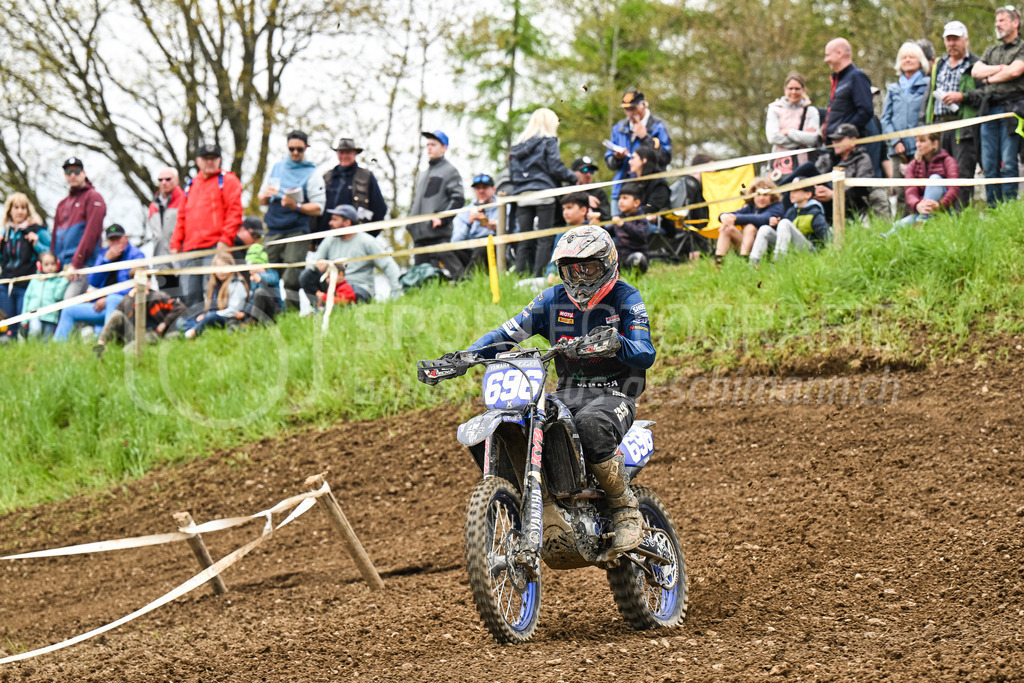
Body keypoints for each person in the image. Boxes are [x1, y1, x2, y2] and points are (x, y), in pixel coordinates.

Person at [461, 225, 655, 555]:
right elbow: (506, 333)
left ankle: (625, 509)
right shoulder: (552, 299)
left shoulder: (625, 297)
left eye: (587, 269)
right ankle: (537, 502)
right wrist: (465, 356)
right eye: (570, 271)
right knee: (526, 422)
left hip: (615, 393)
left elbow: (645, 352)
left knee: (591, 426)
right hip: (567, 393)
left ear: (607, 264)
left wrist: (617, 343)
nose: (578, 279)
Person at [170, 142, 243, 309]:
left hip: (214, 246)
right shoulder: (191, 185)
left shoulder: (228, 180)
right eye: (205, 158)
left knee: (211, 288)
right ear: (198, 161)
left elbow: (235, 212)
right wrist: (175, 243)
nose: (209, 162)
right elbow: (181, 216)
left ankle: (213, 322)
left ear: (219, 160)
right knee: (190, 291)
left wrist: (225, 240)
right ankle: (194, 323)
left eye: (213, 158)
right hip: (191, 248)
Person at [258, 130, 326, 309]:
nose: (295, 152)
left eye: (299, 149)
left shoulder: (312, 173)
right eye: (291, 149)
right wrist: (265, 197)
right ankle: (270, 314)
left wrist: (296, 206)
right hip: (273, 230)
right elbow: (261, 198)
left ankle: (291, 315)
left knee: (291, 278)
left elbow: (319, 207)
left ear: (306, 148)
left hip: (297, 231)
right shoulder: (276, 168)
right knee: (268, 275)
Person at [918, 20, 982, 210]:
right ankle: (936, 215)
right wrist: (923, 125)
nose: (952, 43)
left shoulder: (976, 64)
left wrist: (962, 96)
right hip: (937, 128)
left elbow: (985, 94)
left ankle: (960, 216)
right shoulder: (939, 64)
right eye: (949, 40)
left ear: (965, 40)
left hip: (963, 128)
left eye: (956, 39)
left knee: (962, 173)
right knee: (936, 172)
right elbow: (929, 96)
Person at [508, 108, 578, 276]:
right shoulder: (549, 141)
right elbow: (555, 167)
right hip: (544, 193)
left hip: (523, 195)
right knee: (544, 237)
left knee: (524, 238)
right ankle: (539, 276)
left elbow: (512, 173)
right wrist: (572, 177)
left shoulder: (517, 147)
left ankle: (519, 276)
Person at [54, 224, 145, 341]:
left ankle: (107, 343)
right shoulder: (104, 254)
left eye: (118, 239)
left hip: (125, 305)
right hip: (101, 306)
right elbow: (93, 281)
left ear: (125, 238)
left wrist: (107, 299)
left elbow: (137, 286)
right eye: (112, 240)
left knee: (112, 299)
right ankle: (57, 346)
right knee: (68, 310)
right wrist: (106, 260)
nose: (115, 243)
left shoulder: (136, 255)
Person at [299, 205, 402, 307]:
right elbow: (312, 264)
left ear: (347, 223)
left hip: (359, 288)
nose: (330, 223)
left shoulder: (367, 241)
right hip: (334, 286)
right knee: (306, 276)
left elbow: (388, 265)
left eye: (335, 220)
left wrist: (396, 293)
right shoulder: (329, 240)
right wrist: (320, 265)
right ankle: (319, 308)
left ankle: (340, 304)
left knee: (352, 298)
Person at [971, 6, 1024, 206]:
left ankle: (1009, 207)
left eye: (1002, 20)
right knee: (989, 163)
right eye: (996, 20)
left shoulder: (1022, 48)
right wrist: (1002, 68)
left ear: (1015, 22)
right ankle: (993, 208)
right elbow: (976, 71)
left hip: (1013, 110)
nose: (997, 24)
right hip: (989, 110)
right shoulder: (991, 50)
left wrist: (989, 78)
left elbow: (1016, 71)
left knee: (1009, 162)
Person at [881, 42, 931, 215]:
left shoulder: (928, 85)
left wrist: (922, 141)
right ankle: (902, 227)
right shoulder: (893, 89)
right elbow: (885, 119)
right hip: (899, 152)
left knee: (922, 189)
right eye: (904, 57)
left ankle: (924, 224)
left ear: (920, 61)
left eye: (912, 57)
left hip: (922, 147)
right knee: (901, 191)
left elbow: (929, 115)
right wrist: (895, 142)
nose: (907, 60)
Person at [407, 130, 465, 273]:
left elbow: (458, 199)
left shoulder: (450, 171)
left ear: (444, 148)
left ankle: (466, 281)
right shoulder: (423, 174)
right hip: (419, 235)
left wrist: (442, 219)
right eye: (427, 145)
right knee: (422, 275)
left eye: (433, 144)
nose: (429, 148)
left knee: (446, 272)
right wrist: (410, 223)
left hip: (437, 234)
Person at [882, 132, 959, 234]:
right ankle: (884, 238)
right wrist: (917, 205)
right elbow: (910, 191)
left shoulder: (948, 161)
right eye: (917, 141)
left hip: (943, 211)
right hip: (920, 211)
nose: (918, 145)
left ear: (935, 144)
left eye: (922, 141)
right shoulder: (913, 165)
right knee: (898, 225)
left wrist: (940, 205)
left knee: (935, 179)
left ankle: (922, 220)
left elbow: (954, 188)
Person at [52, 156, 106, 300]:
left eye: (76, 171)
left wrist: (77, 263)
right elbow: (54, 238)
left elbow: (91, 233)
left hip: (82, 267)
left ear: (84, 173)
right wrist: (53, 265)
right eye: (68, 172)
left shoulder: (94, 197)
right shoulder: (62, 204)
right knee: (52, 305)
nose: (73, 175)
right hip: (62, 269)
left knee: (68, 304)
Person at [605, 89, 672, 202]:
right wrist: (617, 158)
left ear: (644, 105)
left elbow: (665, 158)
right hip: (621, 192)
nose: (629, 113)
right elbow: (610, 164)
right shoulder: (618, 128)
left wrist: (645, 138)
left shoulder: (659, 127)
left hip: (648, 191)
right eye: (626, 109)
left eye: (633, 108)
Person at [810, 123, 890, 218]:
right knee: (807, 169)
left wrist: (834, 194)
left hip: (851, 204)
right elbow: (815, 175)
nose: (835, 143)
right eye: (834, 140)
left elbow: (860, 188)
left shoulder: (862, 159)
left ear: (853, 141)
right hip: (823, 201)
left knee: (877, 193)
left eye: (839, 140)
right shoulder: (826, 158)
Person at [94, 275, 187, 354]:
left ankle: (124, 354)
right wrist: (132, 299)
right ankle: (101, 345)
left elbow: (180, 307)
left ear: (149, 283)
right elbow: (119, 317)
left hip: (154, 333)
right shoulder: (129, 298)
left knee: (131, 348)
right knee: (117, 315)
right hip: (134, 332)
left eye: (145, 282)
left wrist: (164, 324)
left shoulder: (158, 297)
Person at [0, 193, 50, 339]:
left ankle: (27, 345)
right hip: (6, 284)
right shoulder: (5, 233)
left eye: (23, 208)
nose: (20, 211)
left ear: (28, 210)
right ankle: (10, 344)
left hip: (27, 284)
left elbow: (50, 255)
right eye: (16, 207)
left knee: (24, 322)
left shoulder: (38, 230)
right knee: (8, 323)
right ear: (10, 210)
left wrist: (36, 243)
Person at [748, 179, 830, 267]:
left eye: (796, 190)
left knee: (784, 223)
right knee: (765, 229)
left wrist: (826, 256)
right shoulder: (791, 211)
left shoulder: (815, 212)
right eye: (791, 190)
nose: (791, 193)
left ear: (808, 194)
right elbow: (784, 233)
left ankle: (778, 262)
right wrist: (776, 225)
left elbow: (826, 236)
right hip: (792, 248)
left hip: (810, 251)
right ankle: (753, 264)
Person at [320, 137, 388, 234]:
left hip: (356, 236)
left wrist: (369, 235)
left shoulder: (366, 176)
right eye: (341, 152)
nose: (344, 156)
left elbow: (380, 209)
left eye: (348, 152)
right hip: (325, 235)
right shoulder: (327, 177)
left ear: (355, 154)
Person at [714, 178, 784, 264]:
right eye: (758, 195)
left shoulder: (777, 206)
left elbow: (762, 218)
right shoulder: (751, 207)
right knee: (727, 228)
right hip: (749, 244)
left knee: (750, 227)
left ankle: (745, 261)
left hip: (767, 246)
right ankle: (719, 261)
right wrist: (723, 216)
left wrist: (736, 218)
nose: (761, 198)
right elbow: (733, 214)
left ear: (772, 196)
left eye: (765, 195)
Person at [180, 252, 249, 339]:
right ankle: (200, 330)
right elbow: (209, 309)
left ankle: (192, 333)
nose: (221, 271)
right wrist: (205, 316)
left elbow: (233, 311)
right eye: (218, 268)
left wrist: (210, 316)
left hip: (228, 318)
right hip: (212, 316)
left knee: (212, 317)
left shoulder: (236, 284)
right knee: (181, 321)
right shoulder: (213, 286)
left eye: (225, 267)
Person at [765, 72, 821, 178]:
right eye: (790, 88)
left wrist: (789, 133)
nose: (793, 92)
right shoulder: (774, 109)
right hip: (779, 167)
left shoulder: (811, 112)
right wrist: (802, 140)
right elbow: (773, 138)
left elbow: (812, 139)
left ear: (803, 90)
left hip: (803, 166)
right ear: (785, 89)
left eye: (797, 89)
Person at [821, 38, 875, 141]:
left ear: (839, 53)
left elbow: (866, 110)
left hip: (847, 145)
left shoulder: (857, 77)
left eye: (828, 55)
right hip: (834, 143)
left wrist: (847, 133)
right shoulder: (838, 80)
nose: (826, 60)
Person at [451, 173, 501, 275]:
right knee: (445, 251)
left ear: (493, 190)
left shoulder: (503, 207)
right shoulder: (465, 211)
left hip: (493, 248)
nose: (481, 191)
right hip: (471, 250)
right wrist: (469, 223)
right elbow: (455, 241)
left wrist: (496, 227)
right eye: (478, 188)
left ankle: (466, 280)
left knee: (483, 247)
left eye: (485, 187)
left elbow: (514, 231)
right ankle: (464, 277)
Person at [22, 251, 68, 339]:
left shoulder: (58, 280)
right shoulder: (34, 280)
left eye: (52, 264)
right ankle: (30, 346)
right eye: (46, 264)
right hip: (34, 315)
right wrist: (24, 319)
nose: (50, 267)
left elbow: (58, 296)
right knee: (35, 329)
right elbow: (27, 298)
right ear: (39, 265)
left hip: (51, 317)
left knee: (46, 340)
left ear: (57, 264)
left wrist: (65, 281)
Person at [612, 182, 651, 272]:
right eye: (620, 198)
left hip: (636, 257)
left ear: (636, 203)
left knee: (637, 258)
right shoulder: (619, 217)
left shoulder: (641, 218)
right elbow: (608, 233)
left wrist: (623, 224)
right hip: (620, 257)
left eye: (625, 198)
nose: (620, 201)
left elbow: (641, 234)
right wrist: (597, 224)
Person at [560, 156, 612, 222]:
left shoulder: (599, 192)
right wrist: (585, 198)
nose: (588, 175)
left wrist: (597, 217)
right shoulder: (564, 190)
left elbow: (607, 216)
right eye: (584, 170)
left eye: (591, 171)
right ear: (573, 172)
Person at [239, 243, 281, 324]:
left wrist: (261, 277)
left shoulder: (272, 273)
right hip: (260, 310)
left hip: (274, 309)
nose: (251, 269)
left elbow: (272, 279)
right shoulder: (254, 279)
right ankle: (250, 320)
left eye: (254, 265)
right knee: (257, 294)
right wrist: (244, 313)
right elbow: (252, 300)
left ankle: (254, 320)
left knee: (260, 292)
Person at [626, 146, 671, 216]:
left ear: (644, 160)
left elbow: (651, 207)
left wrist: (632, 213)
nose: (629, 162)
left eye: (633, 158)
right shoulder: (633, 183)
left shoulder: (659, 184)